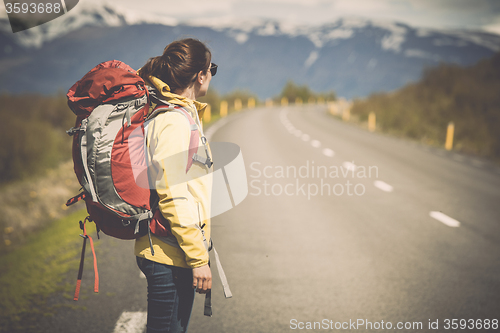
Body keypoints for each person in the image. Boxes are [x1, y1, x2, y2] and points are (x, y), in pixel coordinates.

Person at [135, 38, 218, 333]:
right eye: (212, 69)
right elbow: (173, 195)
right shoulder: (174, 122)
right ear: (200, 75)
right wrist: (199, 259)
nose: (211, 75)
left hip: (172, 250)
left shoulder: (182, 116)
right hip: (169, 255)